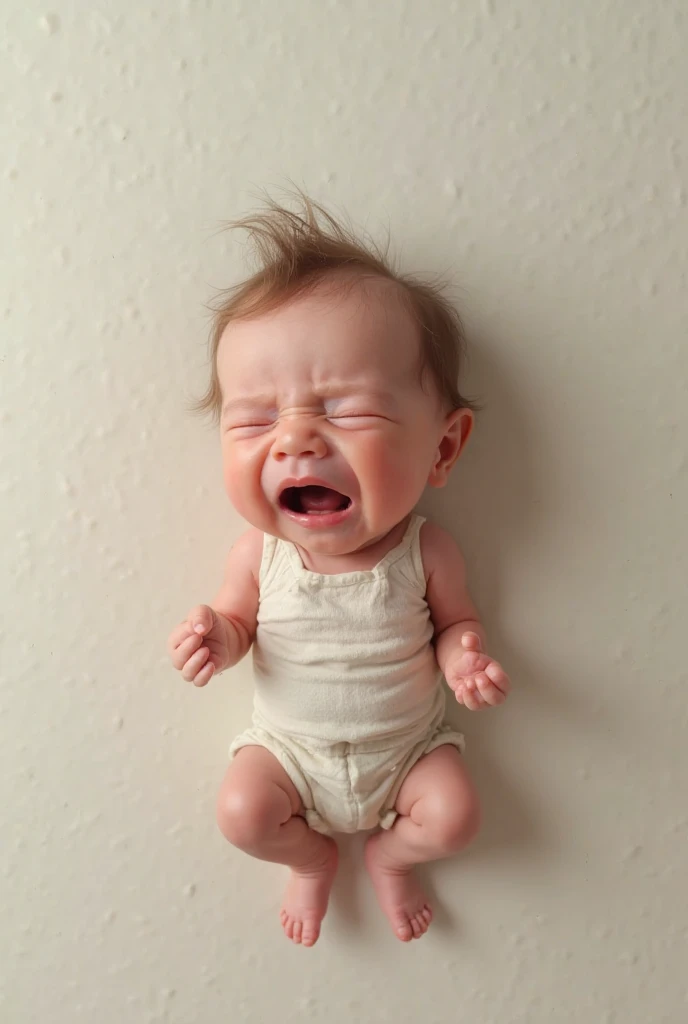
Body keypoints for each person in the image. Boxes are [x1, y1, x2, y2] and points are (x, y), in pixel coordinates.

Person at [167, 195, 511, 946]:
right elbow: (237, 623)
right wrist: (215, 638)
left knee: (456, 817)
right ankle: (310, 858)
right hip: (290, 756)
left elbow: (456, 623)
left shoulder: (429, 552)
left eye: (345, 411)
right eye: (256, 419)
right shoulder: (257, 555)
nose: (293, 441)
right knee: (241, 814)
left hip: (407, 752)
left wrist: (465, 661)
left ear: (444, 449)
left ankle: (394, 854)